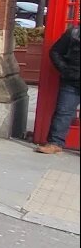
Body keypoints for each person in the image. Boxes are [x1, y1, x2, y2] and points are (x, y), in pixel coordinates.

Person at [36, 23, 81, 154]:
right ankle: (55, 143)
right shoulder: (73, 33)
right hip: (71, 81)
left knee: (63, 112)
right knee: (63, 112)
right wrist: (65, 70)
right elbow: (55, 52)